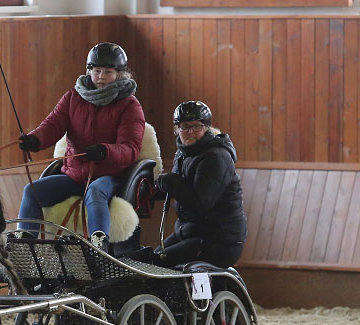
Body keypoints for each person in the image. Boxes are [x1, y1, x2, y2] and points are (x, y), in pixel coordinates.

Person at [16, 42, 145, 252]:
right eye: (97, 71)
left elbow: (130, 148)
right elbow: (53, 125)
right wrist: (35, 140)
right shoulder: (73, 97)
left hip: (109, 177)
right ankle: (25, 246)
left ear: (120, 74)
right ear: (89, 71)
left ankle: (98, 245)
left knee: (95, 191)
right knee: (32, 191)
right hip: (74, 176)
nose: (101, 77)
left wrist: (105, 151)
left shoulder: (130, 105)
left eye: (108, 72)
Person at [154, 101, 247, 269]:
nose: (190, 132)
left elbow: (200, 202)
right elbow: (177, 186)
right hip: (192, 231)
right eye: (184, 127)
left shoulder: (215, 157)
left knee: (159, 263)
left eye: (196, 126)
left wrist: (172, 182)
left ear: (206, 127)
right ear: (177, 129)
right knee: (150, 259)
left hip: (220, 240)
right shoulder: (183, 153)